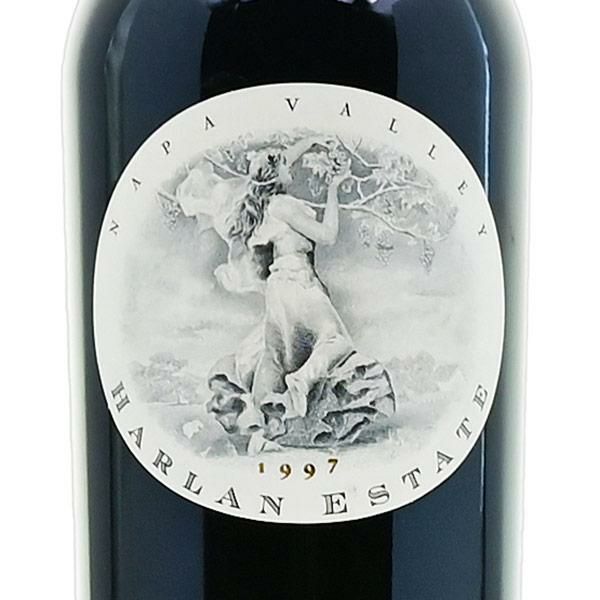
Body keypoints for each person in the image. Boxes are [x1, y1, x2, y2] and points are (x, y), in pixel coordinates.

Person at [227, 147, 355, 422]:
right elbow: (328, 236)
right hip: (296, 279)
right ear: (276, 174)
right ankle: (301, 381)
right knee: (336, 341)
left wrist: (312, 141)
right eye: (286, 165)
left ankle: (259, 419)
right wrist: (334, 188)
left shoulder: (265, 206)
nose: (291, 167)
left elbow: (282, 159)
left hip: (279, 286)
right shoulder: (282, 205)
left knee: (274, 357)